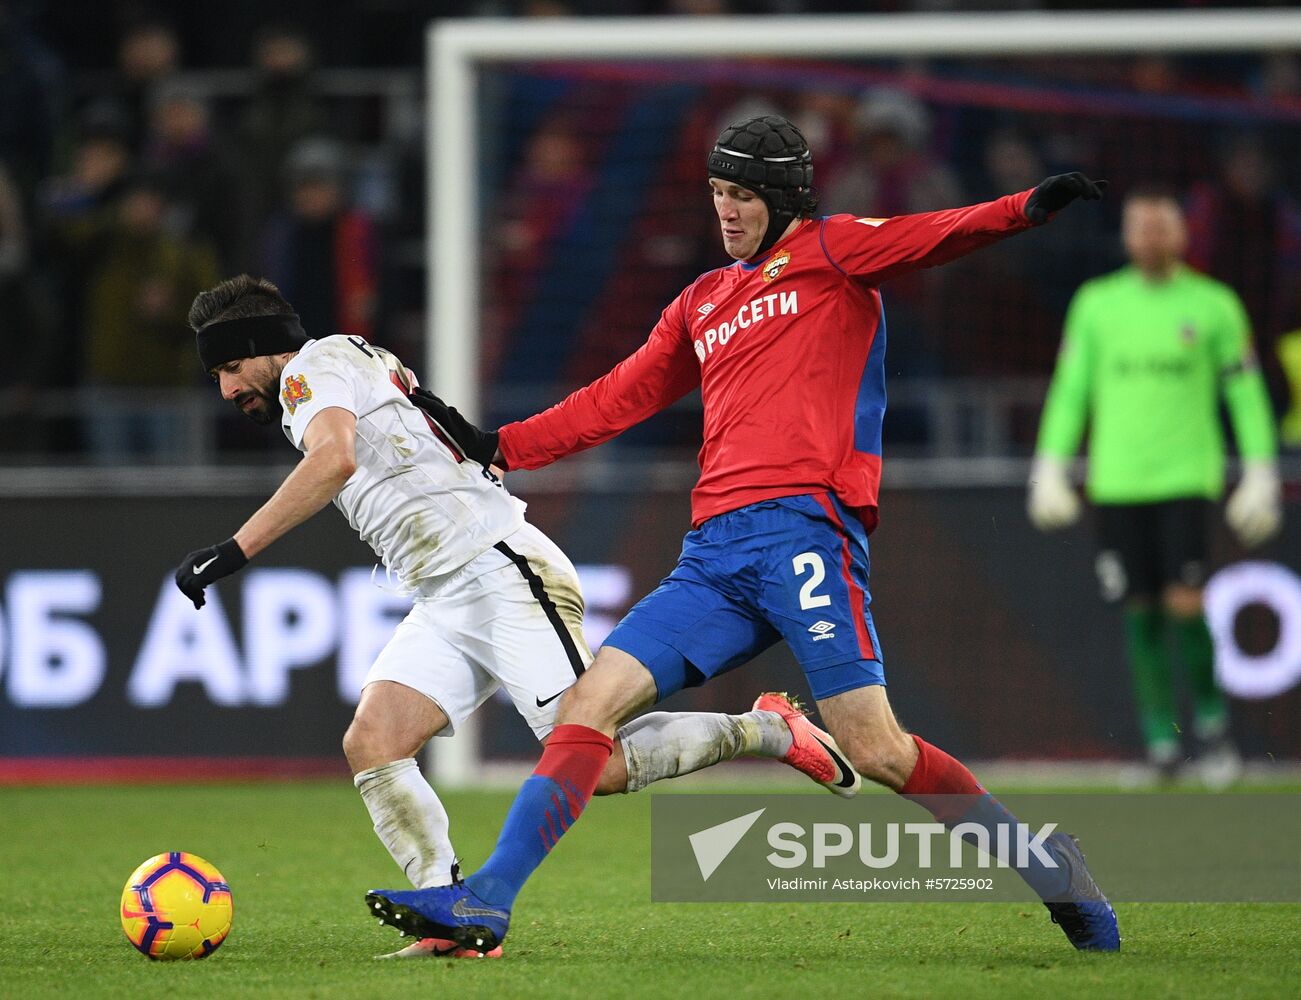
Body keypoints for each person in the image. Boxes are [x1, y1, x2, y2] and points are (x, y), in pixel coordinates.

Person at [368, 115, 1119, 954]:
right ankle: (487, 901)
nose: (725, 211)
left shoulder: (833, 252)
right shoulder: (701, 298)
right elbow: (620, 393)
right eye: (718, 192)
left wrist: (1026, 206)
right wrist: (501, 445)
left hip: (805, 535)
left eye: (742, 195)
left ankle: (1051, 871)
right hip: (713, 557)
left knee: (874, 748)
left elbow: (931, 235)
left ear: (784, 197)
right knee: (588, 706)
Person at [172, 274, 859, 958]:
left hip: (499, 570)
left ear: (266, 347)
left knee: (602, 761)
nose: (228, 390)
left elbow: (335, 459)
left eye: (231, 367)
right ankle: (448, 916)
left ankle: (768, 730)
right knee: (374, 741)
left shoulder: (310, 371)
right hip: (445, 591)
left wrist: (234, 551)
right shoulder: (350, 358)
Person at [1027, 186, 1282, 786]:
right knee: (1139, 612)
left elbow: (1243, 393)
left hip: (1186, 479)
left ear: (1181, 234)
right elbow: (1071, 390)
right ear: (1126, 235)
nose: (1150, 237)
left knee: (1185, 605)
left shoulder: (1215, 305)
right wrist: (1050, 466)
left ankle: (1215, 736)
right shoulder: (1096, 304)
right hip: (1117, 483)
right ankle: (1161, 745)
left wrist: (1261, 469)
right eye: (1140, 227)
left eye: (1161, 226)